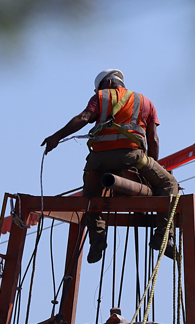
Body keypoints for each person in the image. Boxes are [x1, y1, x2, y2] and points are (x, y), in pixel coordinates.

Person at [42, 69, 179, 264]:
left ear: (106, 84)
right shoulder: (145, 102)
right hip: (133, 158)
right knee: (168, 183)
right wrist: (150, 171)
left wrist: (56, 137)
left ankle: (97, 239)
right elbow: (153, 140)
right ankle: (163, 237)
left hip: (98, 161)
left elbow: (83, 118)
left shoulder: (100, 97)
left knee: (90, 196)